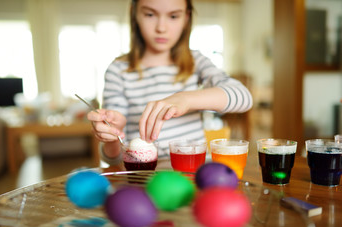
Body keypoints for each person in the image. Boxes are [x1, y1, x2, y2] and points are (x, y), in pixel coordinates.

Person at [87, 0, 253, 165]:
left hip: (193, 171)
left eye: (173, 16)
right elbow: (112, 158)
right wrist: (113, 137)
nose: (161, 28)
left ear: (186, 18)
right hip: (143, 178)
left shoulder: (196, 62)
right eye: (150, 14)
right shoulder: (119, 70)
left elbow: (244, 98)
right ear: (134, 13)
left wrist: (186, 99)